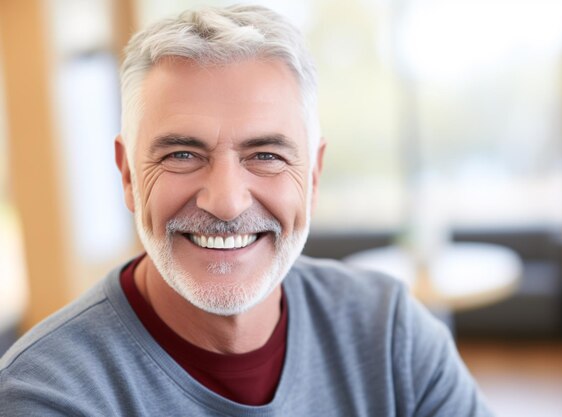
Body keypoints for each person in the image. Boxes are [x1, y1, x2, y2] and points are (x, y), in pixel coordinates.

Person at [0, 5, 492, 416]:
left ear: (313, 176)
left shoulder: (389, 337)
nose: (227, 200)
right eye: (182, 154)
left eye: (266, 156)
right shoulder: (48, 396)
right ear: (128, 175)